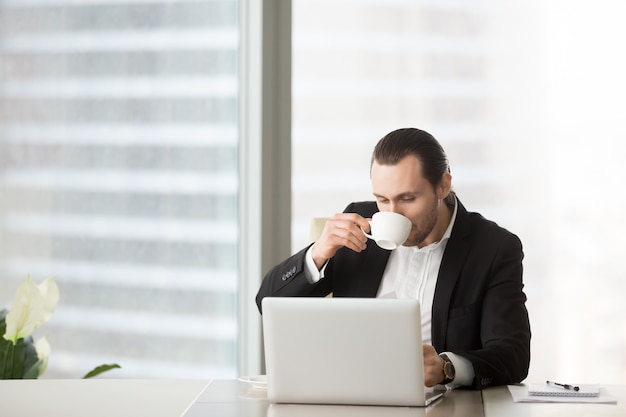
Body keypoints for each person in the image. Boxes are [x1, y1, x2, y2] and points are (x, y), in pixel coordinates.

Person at [256, 127, 531, 390]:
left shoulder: (493, 248)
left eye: (408, 198)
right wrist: (319, 252)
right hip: (351, 398)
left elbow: (512, 357)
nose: (392, 213)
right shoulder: (361, 226)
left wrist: (447, 368)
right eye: (382, 199)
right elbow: (266, 301)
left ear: (443, 185)